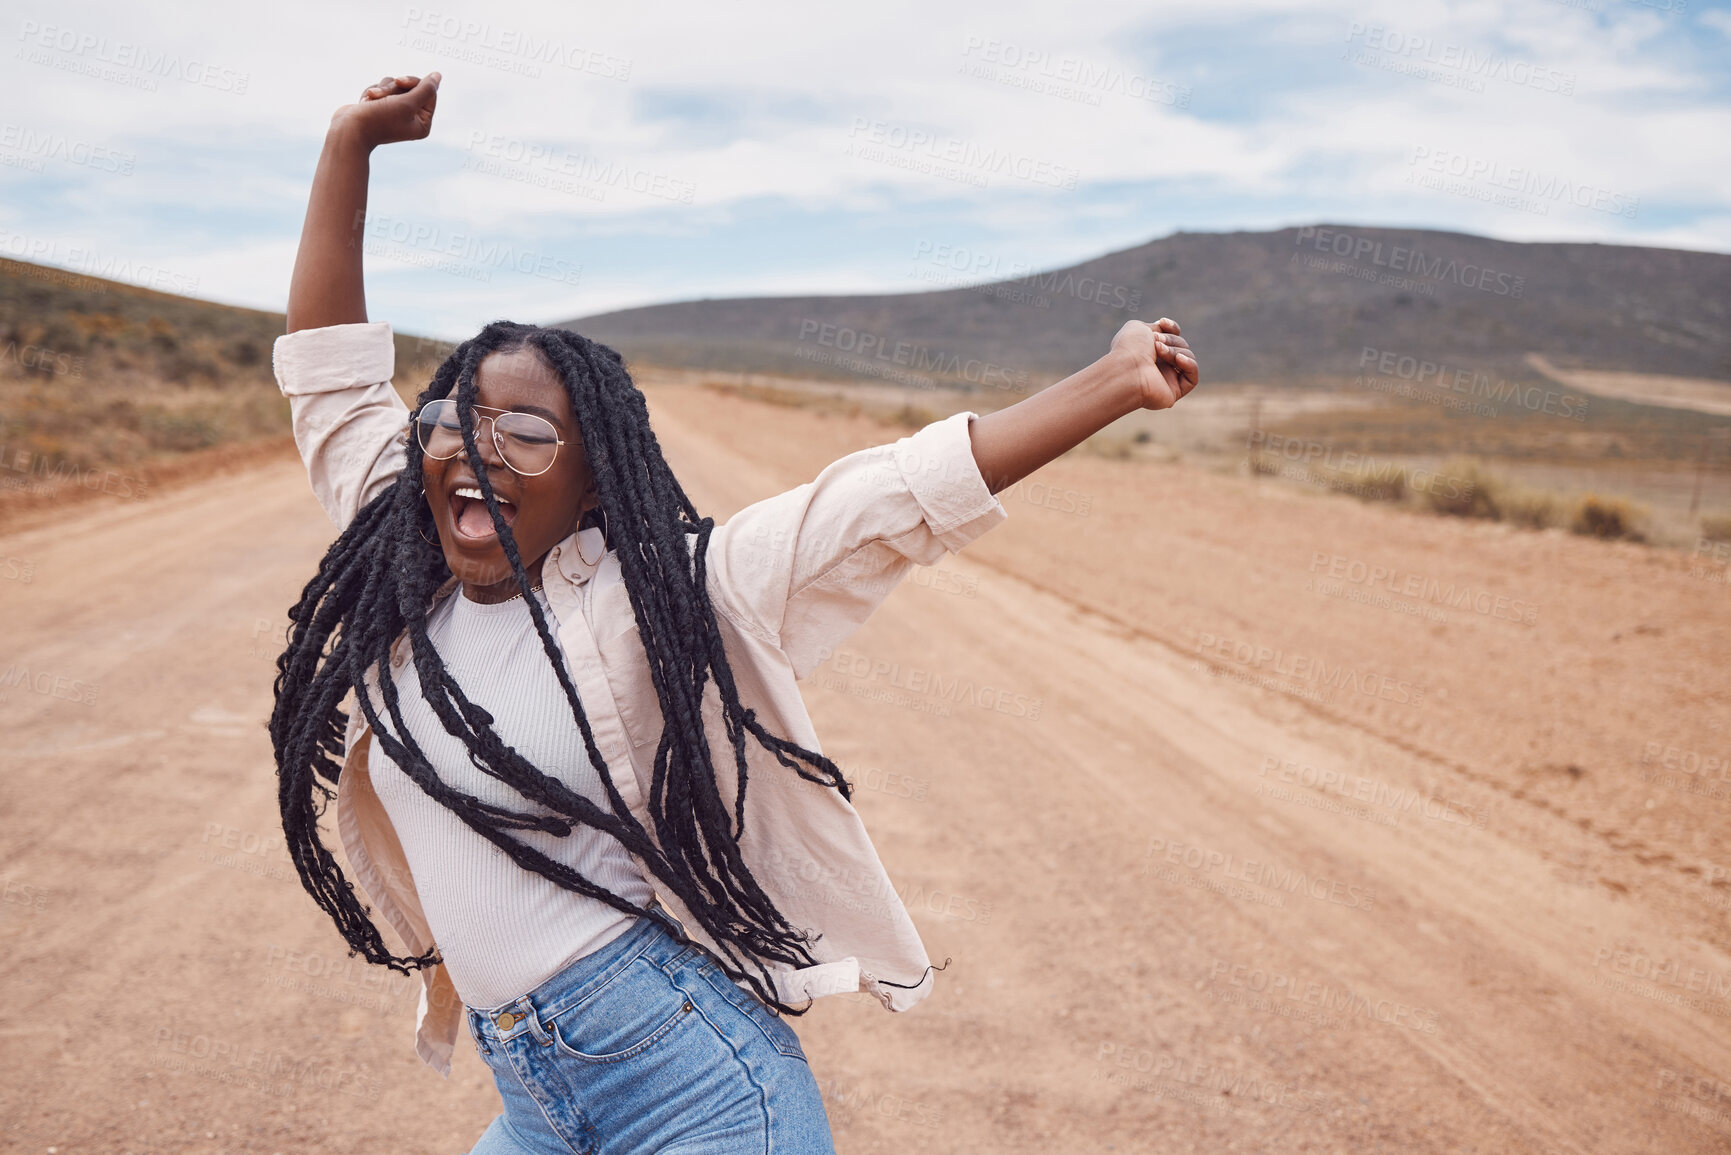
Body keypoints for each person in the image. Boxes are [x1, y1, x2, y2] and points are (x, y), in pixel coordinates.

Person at [269, 70, 1200, 1155]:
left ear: (595, 482)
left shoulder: (660, 591)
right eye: (457, 421)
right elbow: (331, 382)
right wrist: (351, 143)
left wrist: (1111, 380)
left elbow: (878, 502)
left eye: (526, 433)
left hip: (693, 1090)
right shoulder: (404, 565)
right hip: (530, 1097)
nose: (477, 451)